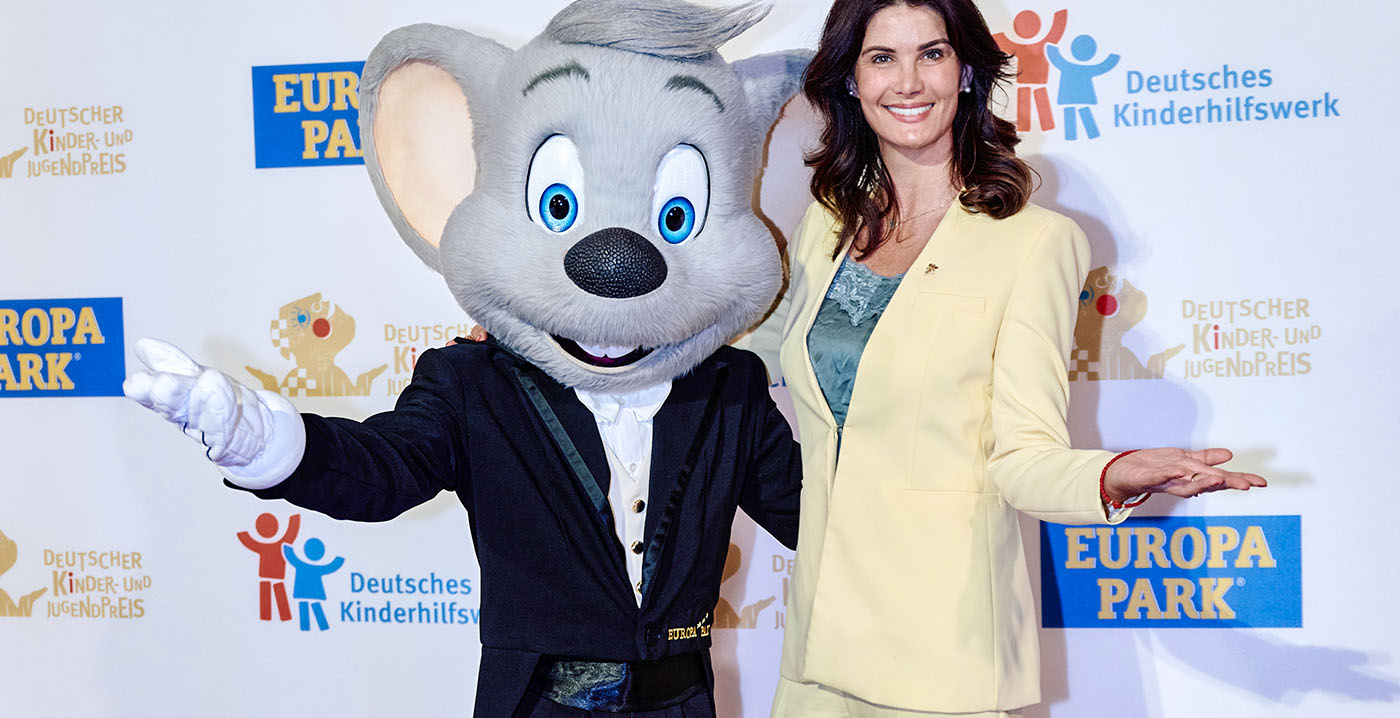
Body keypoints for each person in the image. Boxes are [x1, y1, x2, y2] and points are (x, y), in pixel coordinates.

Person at [767, 1, 1266, 716]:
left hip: (939, 644)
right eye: (881, 58)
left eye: (932, 54)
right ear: (851, 79)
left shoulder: (1034, 243)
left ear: (967, 71)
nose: (908, 81)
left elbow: (1023, 453)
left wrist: (1112, 475)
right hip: (816, 645)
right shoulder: (826, 225)